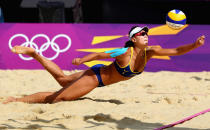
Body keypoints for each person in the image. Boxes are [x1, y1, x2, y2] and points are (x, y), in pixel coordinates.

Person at [3, 26, 205, 104]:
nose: (145, 36)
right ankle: (14, 100)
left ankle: (35, 54)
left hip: (98, 74)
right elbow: (101, 53)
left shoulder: (151, 52)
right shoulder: (125, 52)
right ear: (133, 39)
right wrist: (82, 60)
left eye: (146, 33)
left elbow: (177, 51)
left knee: (62, 79)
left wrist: (194, 45)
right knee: (54, 99)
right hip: (95, 78)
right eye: (141, 34)